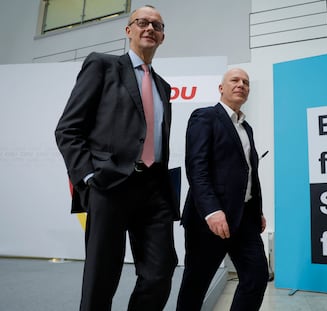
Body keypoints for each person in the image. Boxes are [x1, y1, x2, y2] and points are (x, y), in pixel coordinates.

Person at [55, 5, 179, 311]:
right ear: (128, 31)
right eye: (142, 22)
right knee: (102, 277)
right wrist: (88, 177)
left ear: (162, 37)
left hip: (154, 190)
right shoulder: (103, 66)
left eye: (157, 25)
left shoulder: (163, 87)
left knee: (160, 272)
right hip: (110, 185)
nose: (150, 28)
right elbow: (68, 129)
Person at [176, 68, 269, 311]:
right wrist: (211, 211)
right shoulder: (204, 117)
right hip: (209, 220)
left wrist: (257, 210)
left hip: (245, 219)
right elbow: (196, 168)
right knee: (196, 284)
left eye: (246, 82)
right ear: (221, 88)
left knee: (256, 276)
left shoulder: (246, 128)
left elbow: (249, 173)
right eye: (235, 80)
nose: (241, 85)